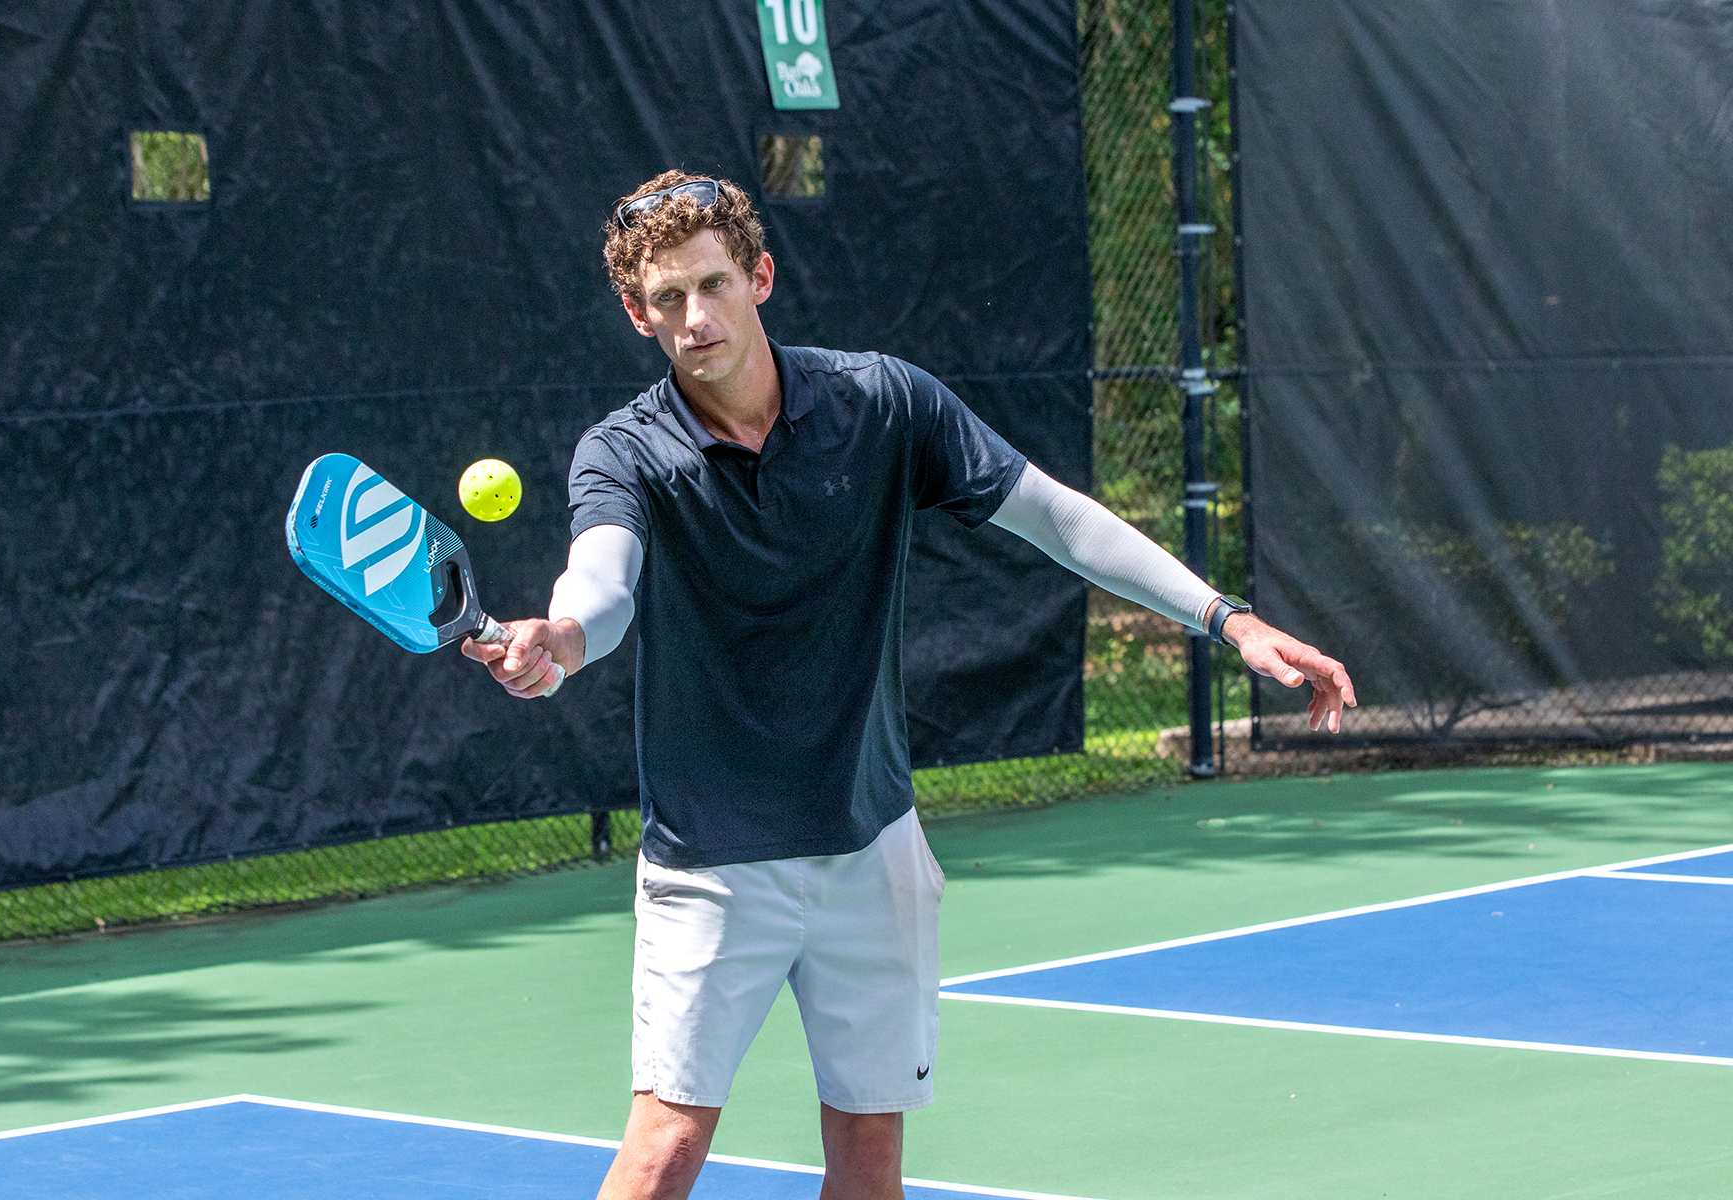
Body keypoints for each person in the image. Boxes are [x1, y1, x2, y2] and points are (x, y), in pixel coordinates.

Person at [463, 171, 1356, 1200]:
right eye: (668, 298)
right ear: (638, 313)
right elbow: (605, 583)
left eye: (713, 285)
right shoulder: (625, 451)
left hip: (870, 844)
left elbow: (1058, 519)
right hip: (713, 862)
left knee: (870, 1158)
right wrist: (562, 638)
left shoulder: (881, 402)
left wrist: (1229, 619)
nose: (695, 317)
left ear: (760, 277)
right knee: (665, 1150)